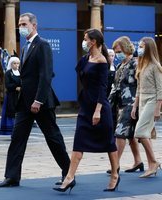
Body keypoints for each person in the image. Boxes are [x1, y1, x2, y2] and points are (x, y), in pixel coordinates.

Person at [0, 12, 70, 188]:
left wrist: (38, 100)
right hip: (24, 102)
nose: (21, 27)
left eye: (23, 24)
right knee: (17, 139)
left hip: (40, 102)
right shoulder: (25, 47)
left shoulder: (42, 45)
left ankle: (68, 172)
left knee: (53, 138)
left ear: (34, 25)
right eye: (19, 24)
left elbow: (46, 75)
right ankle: (12, 176)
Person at [53, 28, 119, 193]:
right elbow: (80, 72)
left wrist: (98, 111)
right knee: (79, 142)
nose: (83, 41)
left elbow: (103, 88)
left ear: (93, 41)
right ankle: (69, 177)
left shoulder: (103, 61)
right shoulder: (86, 58)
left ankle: (115, 175)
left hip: (99, 108)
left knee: (109, 143)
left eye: (85, 38)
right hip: (85, 106)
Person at [107, 36, 144, 174]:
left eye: (118, 50)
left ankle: (115, 164)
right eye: (116, 51)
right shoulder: (119, 65)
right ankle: (138, 161)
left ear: (126, 49)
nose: (117, 54)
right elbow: (115, 87)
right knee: (130, 134)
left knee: (120, 133)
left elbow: (141, 84)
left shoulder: (135, 64)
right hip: (120, 104)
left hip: (131, 103)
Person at [131, 37, 162, 178]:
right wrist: (134, 106)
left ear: (149, 48)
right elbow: (138, 88)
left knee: (140, 132)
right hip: (142, 101)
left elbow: (160, 90)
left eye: (142, 46)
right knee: (145, 134)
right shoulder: (141, 64)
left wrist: (157, 108)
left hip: (152, 100)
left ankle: (154, 162)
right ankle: (151, 165)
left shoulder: (156, 66)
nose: (140, 49)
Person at [0, 56, 21, 135]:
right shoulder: (8, 73)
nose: (16, 65)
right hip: (11, 96)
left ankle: (19, 130)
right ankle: (11, 131)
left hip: (19, 96)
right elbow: (8, 85)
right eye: (14, 63)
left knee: (19, 113)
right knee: (11, 113)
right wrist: (16, 87)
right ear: (11, 64)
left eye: (18, 63)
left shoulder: (21, 72)